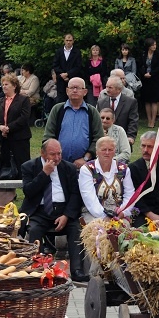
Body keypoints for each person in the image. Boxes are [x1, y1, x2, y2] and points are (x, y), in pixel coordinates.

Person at [20, 139, 87, 282]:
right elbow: (29, 192)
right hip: (40, 210)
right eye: (53, 154)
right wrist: (44, 174)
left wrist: (67, 215)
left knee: (76, 229)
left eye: (59, 154)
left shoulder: (68, 168)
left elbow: (76, 194)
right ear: (42, 154)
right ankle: (38, 268)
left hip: (63, 211)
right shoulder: (29, 167)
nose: (57, 158)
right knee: (34, 229)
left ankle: (76, 270)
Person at [43, 77, 104, 168]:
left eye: (78, 88)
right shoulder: (58, 109)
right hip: (58, 164)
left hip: (85, 166)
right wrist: (54, 156)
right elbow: (48, 136)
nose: (74, 90)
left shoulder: (92, 112)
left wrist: (86, 158)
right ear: (67, 91)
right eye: (72, 88)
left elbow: (99, 139)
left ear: (85, 92)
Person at [79, 136, 135, 222]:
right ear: (97, 151)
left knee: (124, 233)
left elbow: (130, 194)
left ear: (115, 151)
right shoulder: (87, 169)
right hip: (93, 214)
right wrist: (104, 217)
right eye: (104, 149)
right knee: (97, 232)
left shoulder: (123, 169)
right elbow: (89, 197)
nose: (107, 153)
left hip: (119, 214)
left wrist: (123, 211)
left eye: (110, 150)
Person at [0, 74, 32, 179]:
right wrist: (0, 127)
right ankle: (7, 194)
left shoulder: (23, 100)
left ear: (14, 86)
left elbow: (24, 117)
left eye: (6, 84)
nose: (4, 86)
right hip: (3, 139)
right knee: (5, 168)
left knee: (23, 166)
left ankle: (28, 191)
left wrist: (9, 128)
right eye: (3, 84)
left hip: (19, 138)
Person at [96, 76, 138, 146]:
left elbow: (133, 120)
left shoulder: (130, 102)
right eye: (106, 87)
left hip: (123, 140)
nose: (107, 90)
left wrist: (131, 137)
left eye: (110, 88)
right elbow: (97, 121)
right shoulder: (101, 103)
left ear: (119, 89)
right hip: (104, 141)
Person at [139, 38, 159, 128]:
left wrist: (151, 74)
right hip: (145, 80)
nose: (154, 46)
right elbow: (140, 65)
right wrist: (144, 73)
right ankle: (149, 120)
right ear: (148, 46)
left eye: (155, 45)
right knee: (147, 101)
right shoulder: (143, 54)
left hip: (155, 79)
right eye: (153, 45)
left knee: (154, 101)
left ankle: (153, 120)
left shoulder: (158, 54)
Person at [52, 34, 83, 104]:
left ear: (73, 41)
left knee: (73, 100)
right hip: (61, 81)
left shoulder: (77, 52)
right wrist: (62, 75)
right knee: (60, 101)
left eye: (70, 40)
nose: (68, 42)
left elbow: (78, 66)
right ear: (64, 41)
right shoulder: (59, 51)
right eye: (67, 40)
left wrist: (68, 74)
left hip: (73, 80)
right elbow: (55, 65)